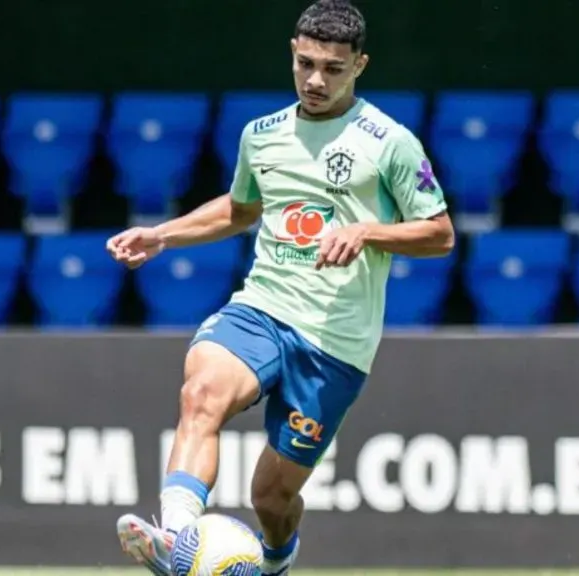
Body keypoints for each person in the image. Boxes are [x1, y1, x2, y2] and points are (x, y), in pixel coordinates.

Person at [107, 0, 454, 573]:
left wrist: (367, 231)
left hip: (334, 343)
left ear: (360, 65)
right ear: (293, 54)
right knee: (201, 395)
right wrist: (163, 235)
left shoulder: (390, 142)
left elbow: (440, 234)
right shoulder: (261, 135)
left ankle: (275, 563)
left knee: (270, 496)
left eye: (333, 68)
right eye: (306, 64)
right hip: (262, 309)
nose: (316, 80)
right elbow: (242, 210)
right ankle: (176, 540)